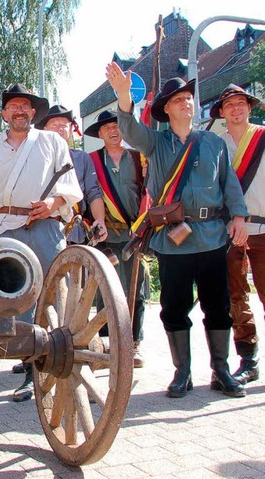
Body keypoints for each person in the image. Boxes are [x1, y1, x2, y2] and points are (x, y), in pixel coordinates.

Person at [106, 62, 249, 398]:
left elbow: (230, 186)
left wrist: (239, 217)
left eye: (188, 98)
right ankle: (182, 372)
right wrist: (125, 98)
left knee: (218, 306)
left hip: (212, 236)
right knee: (173, 306)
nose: (186, 103)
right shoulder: (155, 143)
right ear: (166, 109)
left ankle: (221, 370)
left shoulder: (212, 144)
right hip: (173, 241)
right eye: (178, 100)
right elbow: (128, 130)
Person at [0, 84, 82, 402]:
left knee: (54, 296)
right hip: (8, 228)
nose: (19, 111)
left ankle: (62, 365)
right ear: (4, 114)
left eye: (25, 106)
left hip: (46, 227)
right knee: (22, 303)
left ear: (33, 112)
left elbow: (69, 184)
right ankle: (30, 374)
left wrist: (53, 204)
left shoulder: (51, 141)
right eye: (13, 106)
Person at [84, 109, 147, 368]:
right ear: (99, 134)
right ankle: (109, 343)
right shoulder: (91, 161)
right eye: (106, 128)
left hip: (134, 233)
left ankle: (133, 344)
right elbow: (87, 195)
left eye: (118, 126)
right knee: (105, 290)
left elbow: (148, 191)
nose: (113, 131)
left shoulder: (138, 157)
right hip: (106, 235)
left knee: (137, 290)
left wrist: (143, 226)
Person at [211, 84, 265, 385]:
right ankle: (249, 359)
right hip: (230, 231)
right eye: (229, 104)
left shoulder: (263, 136)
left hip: (264, 228)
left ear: (249, 107)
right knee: (236, 297)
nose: (236, 108)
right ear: (221, 112)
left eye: (241, 103)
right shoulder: (216, 146)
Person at [35, 105, 107, 245]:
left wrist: (100, 222)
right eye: (54, 125)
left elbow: (93, 193)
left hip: (75, 231)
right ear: (44, 129)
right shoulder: (34, 158)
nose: (60, 129)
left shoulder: (82, 158)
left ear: (71, 129)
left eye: (64, 125)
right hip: (41, 231)